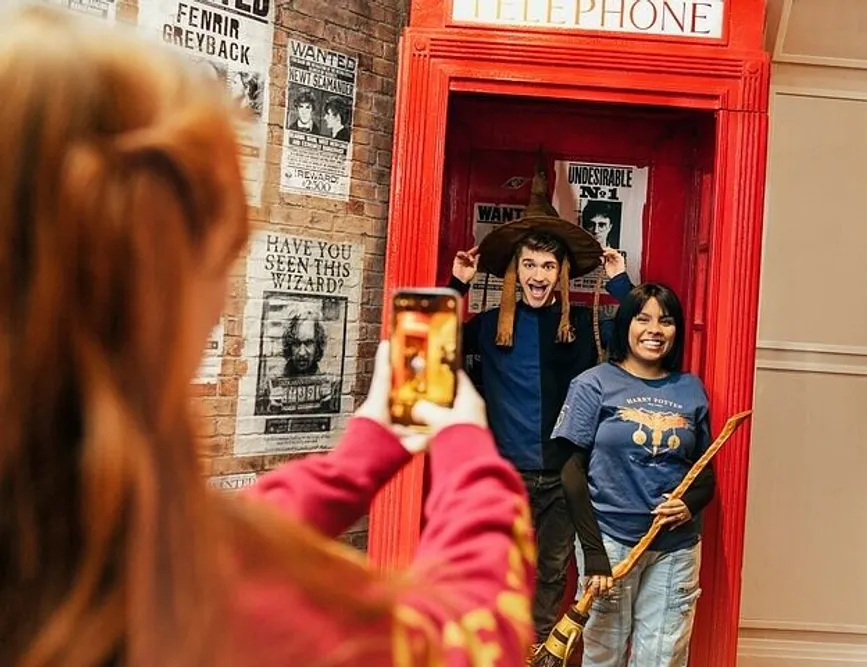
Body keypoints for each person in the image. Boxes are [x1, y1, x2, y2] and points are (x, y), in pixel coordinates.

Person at [0, 8, 535, 667]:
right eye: (222, 257)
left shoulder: (68, 533)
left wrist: (358, 457)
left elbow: (201, 538)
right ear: (156, 289)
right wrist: (466, 443)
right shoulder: (211, 610)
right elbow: (473, 638)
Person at [447, 161, 635, 650]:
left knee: (551, 574)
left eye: (547, 266)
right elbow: (425, 342)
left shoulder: (584, 328)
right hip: (504, 476)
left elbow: (645, 328)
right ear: (516, 270)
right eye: (529, 264)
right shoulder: (489, 327)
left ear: (560, 273)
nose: (538, 275)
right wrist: (458, 285)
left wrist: (619, 281)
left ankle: (536, 654)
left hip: (561, 477)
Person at [553, 283, 715, 667]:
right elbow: (571, 471)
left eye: (666, 320)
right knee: (603, 655)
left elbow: (705, 471)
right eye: (643, 319)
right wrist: (593, 554)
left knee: (663, 658)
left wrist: (688, 505)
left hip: (675, 548)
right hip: (611, 542)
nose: (654, 330)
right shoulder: (594, 384)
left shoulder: (690, 389)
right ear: (626, 324)